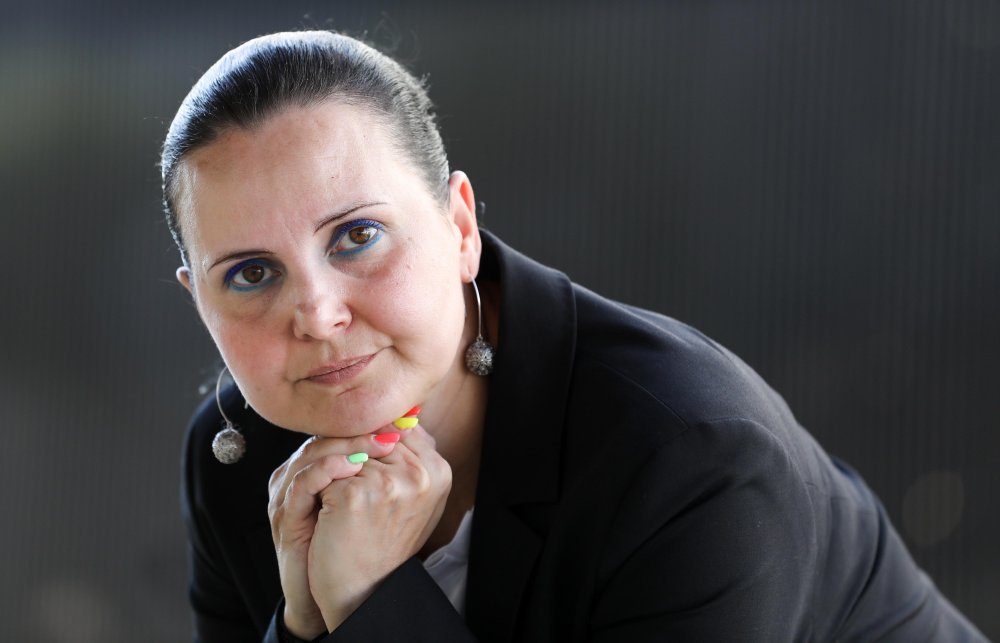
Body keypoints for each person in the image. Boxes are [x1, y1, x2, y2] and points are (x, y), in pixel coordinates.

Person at [161, 30, 986, 642]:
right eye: (251, 273)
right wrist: (300, 625)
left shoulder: (687, 457)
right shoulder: (239, 464)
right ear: (198, 301)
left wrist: (370, 602)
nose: (318, 313)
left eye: (357, 237)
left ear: (459, 227)